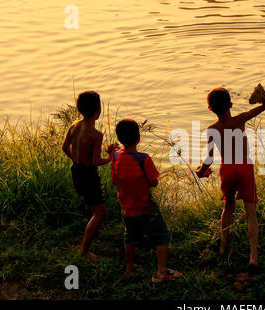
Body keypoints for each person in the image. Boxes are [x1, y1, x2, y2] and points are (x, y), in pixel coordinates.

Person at [196, 84, 265, 273]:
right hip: (244, 167)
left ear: (210, 109)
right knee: (250, 212)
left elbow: (209, 158)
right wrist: (262, 96)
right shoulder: (240, 119)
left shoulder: (212, 129)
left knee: (228, 206)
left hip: (227, 169)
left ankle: (223, 245)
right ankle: (253, 257)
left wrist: (200, 170)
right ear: (231, 104)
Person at [111, 118, 182, 281]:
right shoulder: (143, 158)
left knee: (130, 236)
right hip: (146, 207)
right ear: (138, 138)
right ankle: (161, 272)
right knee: (161, 236)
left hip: (126, 208)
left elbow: (115, 181)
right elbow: (153, 182)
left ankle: (129, 267)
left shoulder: (115, 158)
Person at [62, 91, 118, 260]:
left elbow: (65, 147)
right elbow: (95, 161)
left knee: (89, 201)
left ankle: (92, 230)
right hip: (88, 174)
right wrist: (110, 157)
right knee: (100, 212)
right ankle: (84, 250)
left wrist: (77, 160)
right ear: (98, 111)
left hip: (76, 170)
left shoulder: (74, 126)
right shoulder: (96, 135)